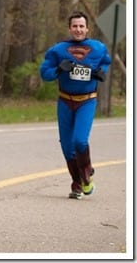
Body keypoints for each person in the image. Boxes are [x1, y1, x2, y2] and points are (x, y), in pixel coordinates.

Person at [40, 11, 111, 200]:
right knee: (66, 147)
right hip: (65, 101)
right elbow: (44, 73)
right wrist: (58, 69)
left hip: (87, 100)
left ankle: (87, 172)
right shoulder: (57, 50)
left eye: (81, 26)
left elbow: (105, 62)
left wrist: (100, 72)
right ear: (69, 28)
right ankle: (77, 183)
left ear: (87, 28)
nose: (78, 29)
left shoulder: (98, 47)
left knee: (80, 140)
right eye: (75, 26)